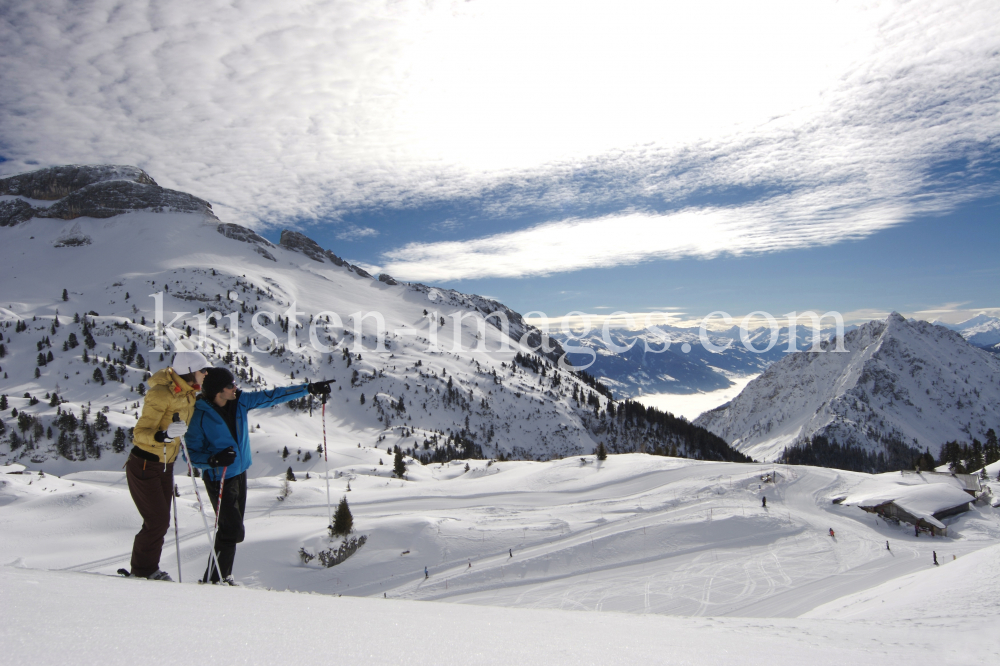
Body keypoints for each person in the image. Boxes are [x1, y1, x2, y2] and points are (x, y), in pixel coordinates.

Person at [185, 368, 332, 584]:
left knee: (230, 531)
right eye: (230, 385)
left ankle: (220, 577)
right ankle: (215, 579)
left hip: (239, 473)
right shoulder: (199, 416)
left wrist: (308, 389)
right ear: (218, 391)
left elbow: (273, 396)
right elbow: (190, 453)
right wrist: (213, 459)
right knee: (231, 531)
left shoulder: (240, 401)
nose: (236, 387)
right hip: (219, 478)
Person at [126, 350, 212, 580]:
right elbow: (139, 433)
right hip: (145, 463)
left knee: (160, 521)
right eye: (202, 370)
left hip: (165, 464)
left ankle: (146, 568)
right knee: (157, 520)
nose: (206, 373)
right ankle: (143, 571)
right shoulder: (161, 394)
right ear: (189, 372)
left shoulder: (188, 393)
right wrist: (163, 436)